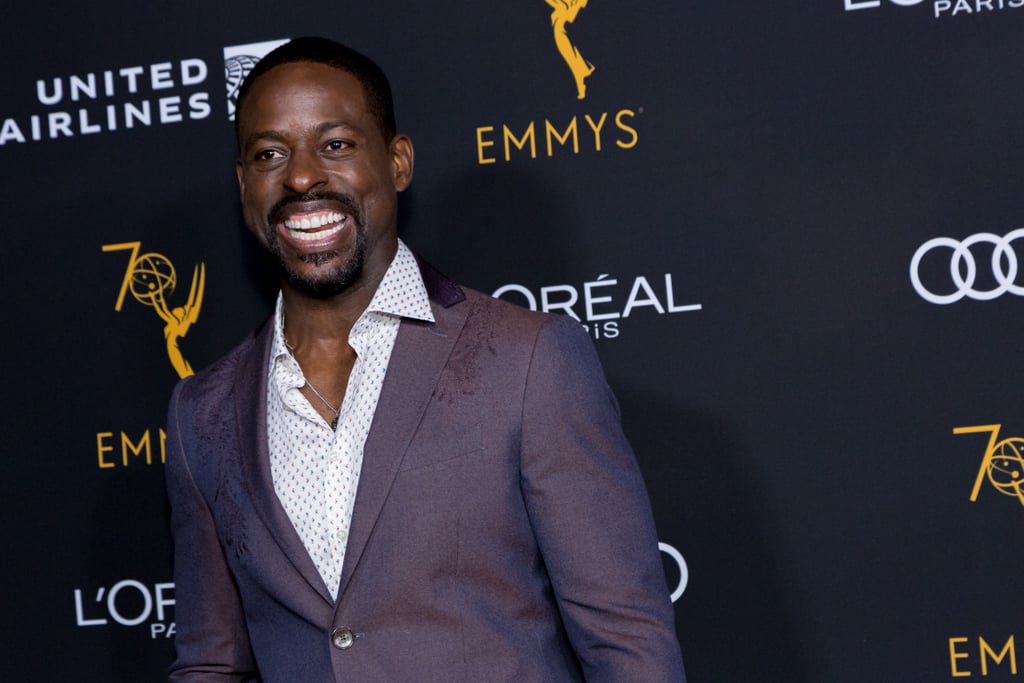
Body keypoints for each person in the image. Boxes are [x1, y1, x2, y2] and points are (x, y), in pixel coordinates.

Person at [165, 36, 686, 682]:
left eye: (335, 145)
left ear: (398, 161)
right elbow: (213, 662)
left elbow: (627, 643)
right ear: (245, 185)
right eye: (271, 153)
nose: (301, 177)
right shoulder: (201, 413)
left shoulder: (528, 360)